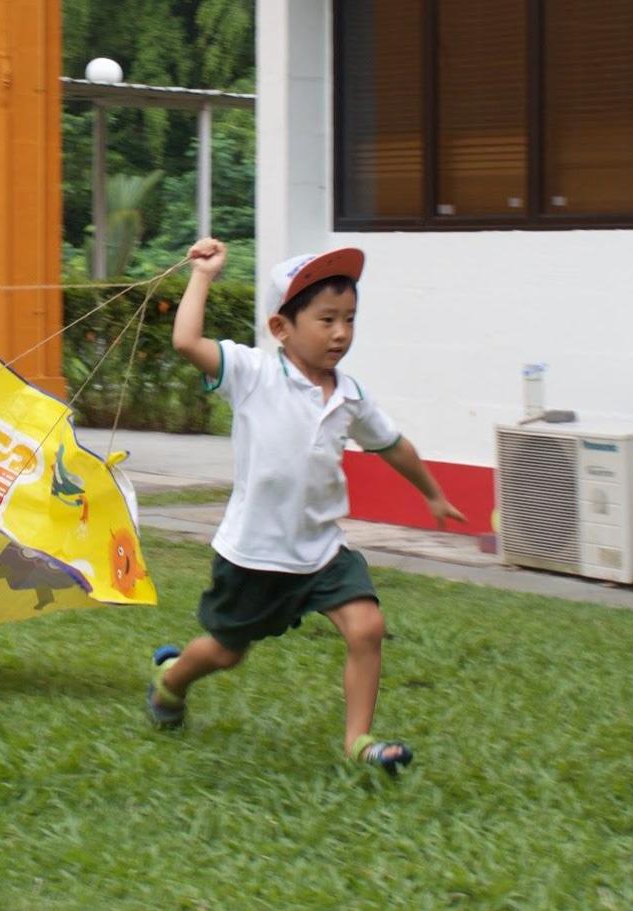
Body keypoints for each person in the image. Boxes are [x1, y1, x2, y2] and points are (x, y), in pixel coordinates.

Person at [144, 238, 468, 775]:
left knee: (366, 627)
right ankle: (171, 680)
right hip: (253, 553)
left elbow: (392, 445)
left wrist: (431, 491)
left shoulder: (350, 395)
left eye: (349, 319)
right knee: (226, 652)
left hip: (321, 551)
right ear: (281, 328)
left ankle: (358, 742)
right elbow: (185, 341)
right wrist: (203, 275)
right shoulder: (251, 374)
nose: (341, 333)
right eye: (326, 320)